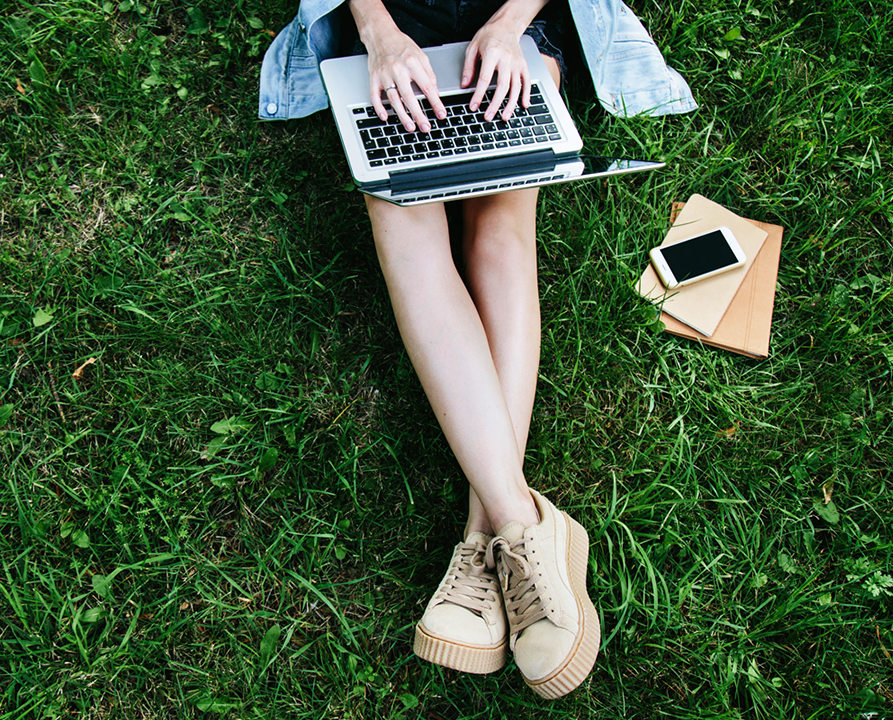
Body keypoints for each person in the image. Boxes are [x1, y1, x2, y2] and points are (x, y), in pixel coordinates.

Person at [259, 0, 695, 699]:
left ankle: (482, 531)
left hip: (511, 23)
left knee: (500, 220)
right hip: (391, 30)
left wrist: (509, 24)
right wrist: (378, 32)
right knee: (399, 210)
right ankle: (523, 525)